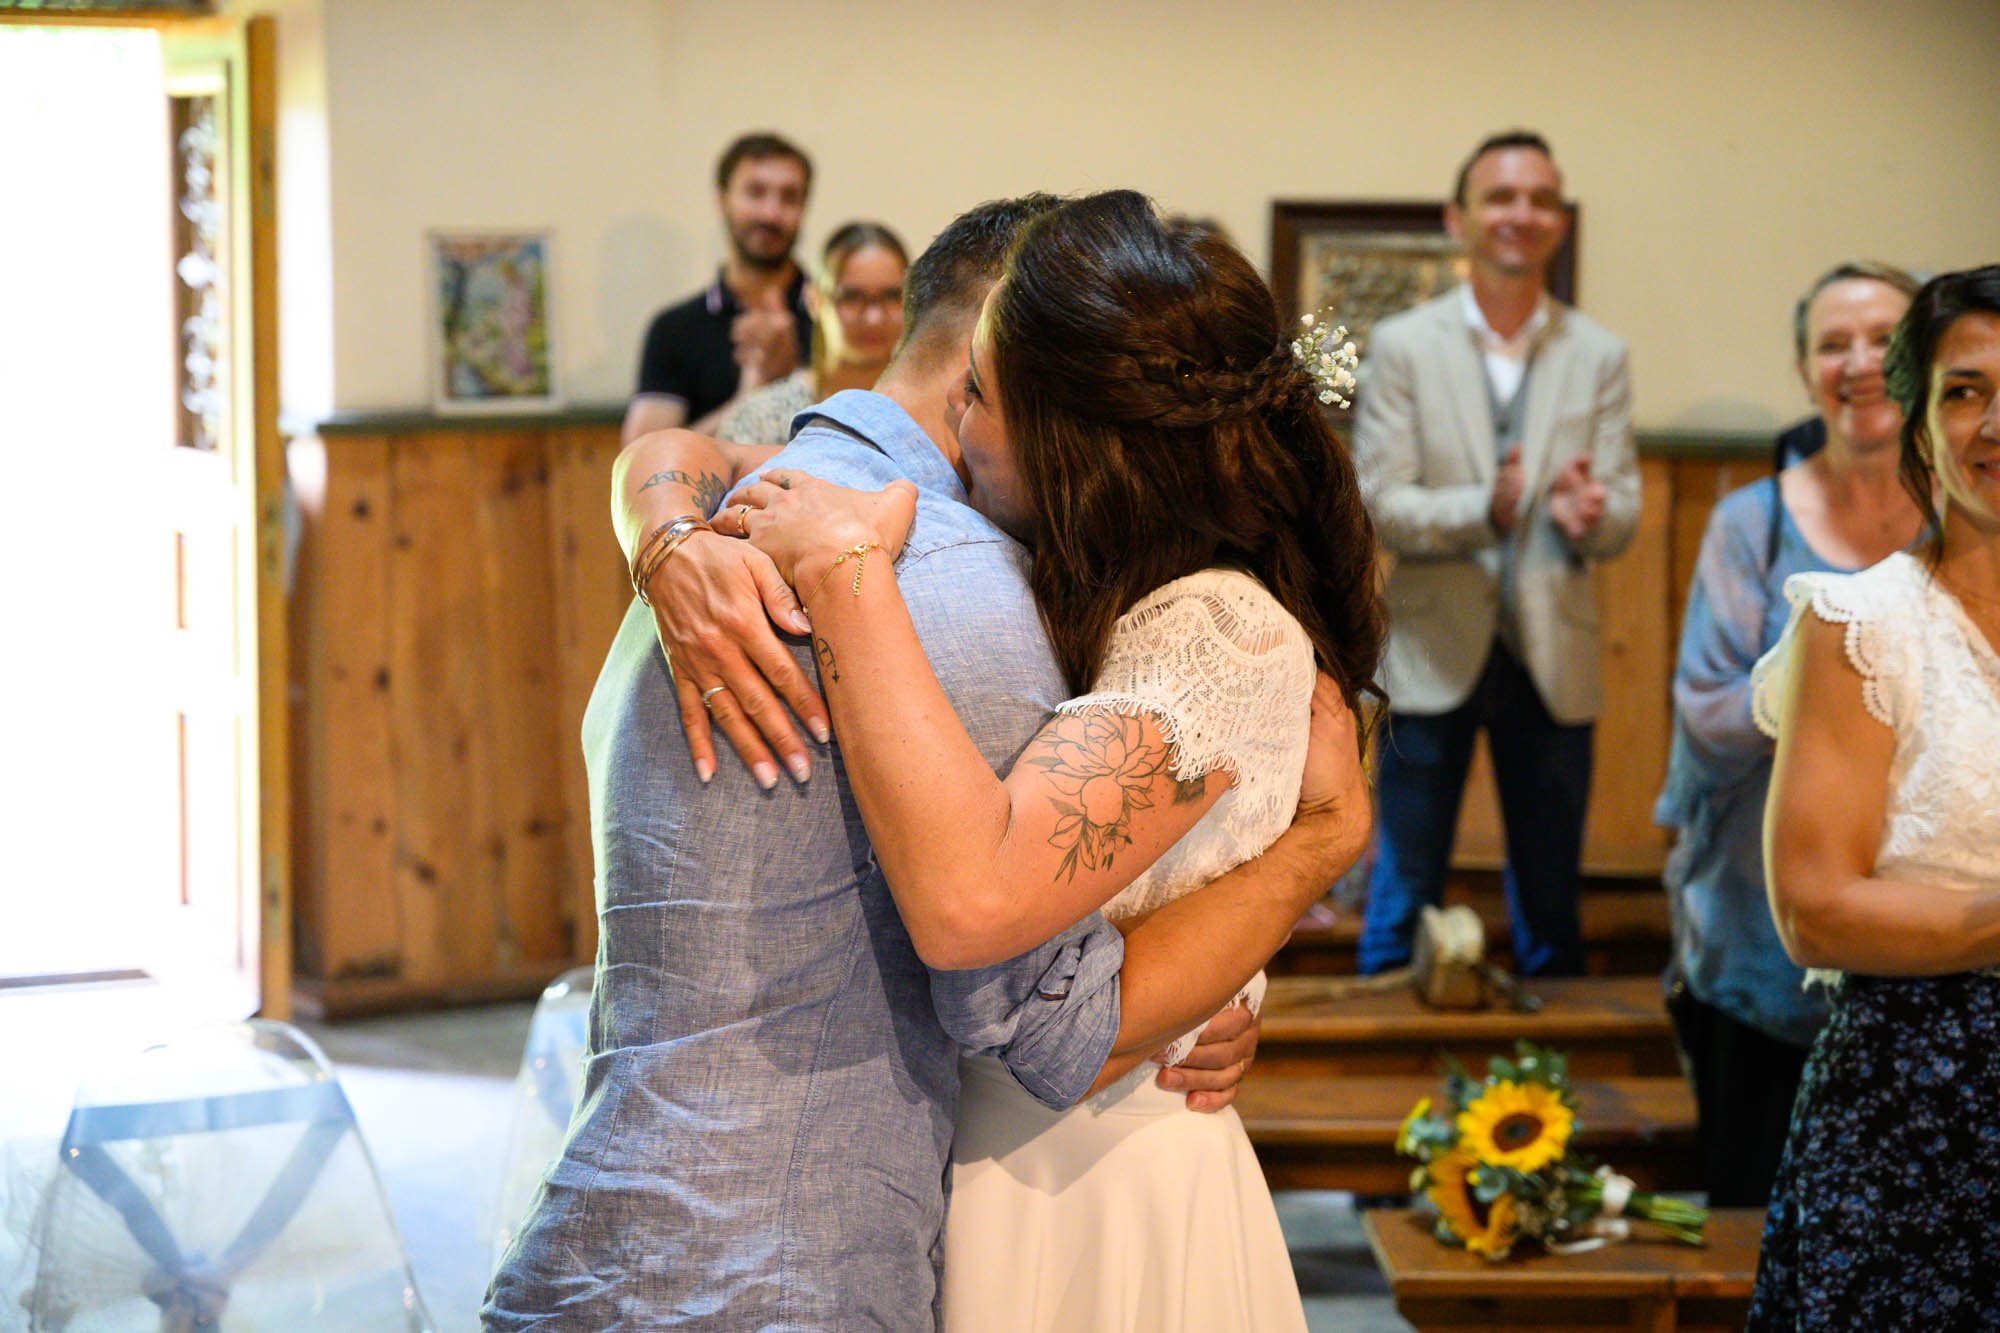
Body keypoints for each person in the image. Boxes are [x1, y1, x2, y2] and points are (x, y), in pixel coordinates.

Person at [484, 194, 1375, 1331]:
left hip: (1063, 1189)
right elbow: (1035, 984)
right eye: (970, 383)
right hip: (841, 1233)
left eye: (986, 396)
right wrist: (655, 509)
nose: (963, 416)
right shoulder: (953, 578)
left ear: (1076, 430)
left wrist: (1312, 855)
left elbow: (1006, 950)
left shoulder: (1204, 624)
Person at [1748, 264, 2000, 1327]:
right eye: (1962, 388)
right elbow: (1813, 907)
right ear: (1917, 419)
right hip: (1920, 1108)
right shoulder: (1861, 624)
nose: (1994, 420)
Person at [1656, 262, 1921, 1209]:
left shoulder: (1968, 522)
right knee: (1753, 1220)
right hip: (1757, 938)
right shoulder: (1751, 524)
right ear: (1805, 369)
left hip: (1925, 952)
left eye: (1883, 339)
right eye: (1832, 344)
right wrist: (1846, 685)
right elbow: (1708, 717)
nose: (1858, 364)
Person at [1353, 129, 1639, 977]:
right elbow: (1381, 502)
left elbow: (1622, 509)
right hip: (1431, 645)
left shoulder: (1599, 353)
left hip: (1552, 647)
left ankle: (1551, 1085)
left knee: (1553, 888)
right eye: (1501, 197)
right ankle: (1381, 1075)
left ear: (1560, 221)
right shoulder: (1405, 344)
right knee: (1403, 881)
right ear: (1459, 217)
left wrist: (1592, 515)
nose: (1522, 214)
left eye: (1541, 200)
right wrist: (1489, 508)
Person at [621, 132, 815, 443]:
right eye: (756, 192)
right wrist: (755, 395)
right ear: (722, 200)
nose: (771, 213)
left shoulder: (838, 317)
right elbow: (643, 461)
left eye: (789, 197)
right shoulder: (674, 329)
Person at [718, 221, 908, 446]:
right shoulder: (764, 417)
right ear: (814, 300)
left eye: (892, 296)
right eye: (852, 297)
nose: (874, 318)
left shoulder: (932, 411)